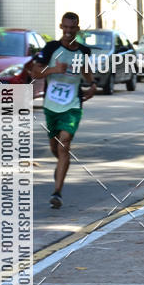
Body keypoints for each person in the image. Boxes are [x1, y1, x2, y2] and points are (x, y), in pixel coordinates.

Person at [32, 12, 96, 208]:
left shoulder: (84, 51)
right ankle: (62, 165)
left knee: (64, 144)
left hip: (73, 104)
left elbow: (85, 69)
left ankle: (57, 192)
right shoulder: (51, 48)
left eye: (72, 28)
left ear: (77, 29)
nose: (68, 31)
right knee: (55, 148)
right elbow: (34, 72)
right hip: (52, 105)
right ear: (61, 27)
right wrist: (53, 70)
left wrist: (92, 84)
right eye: (65, 28)